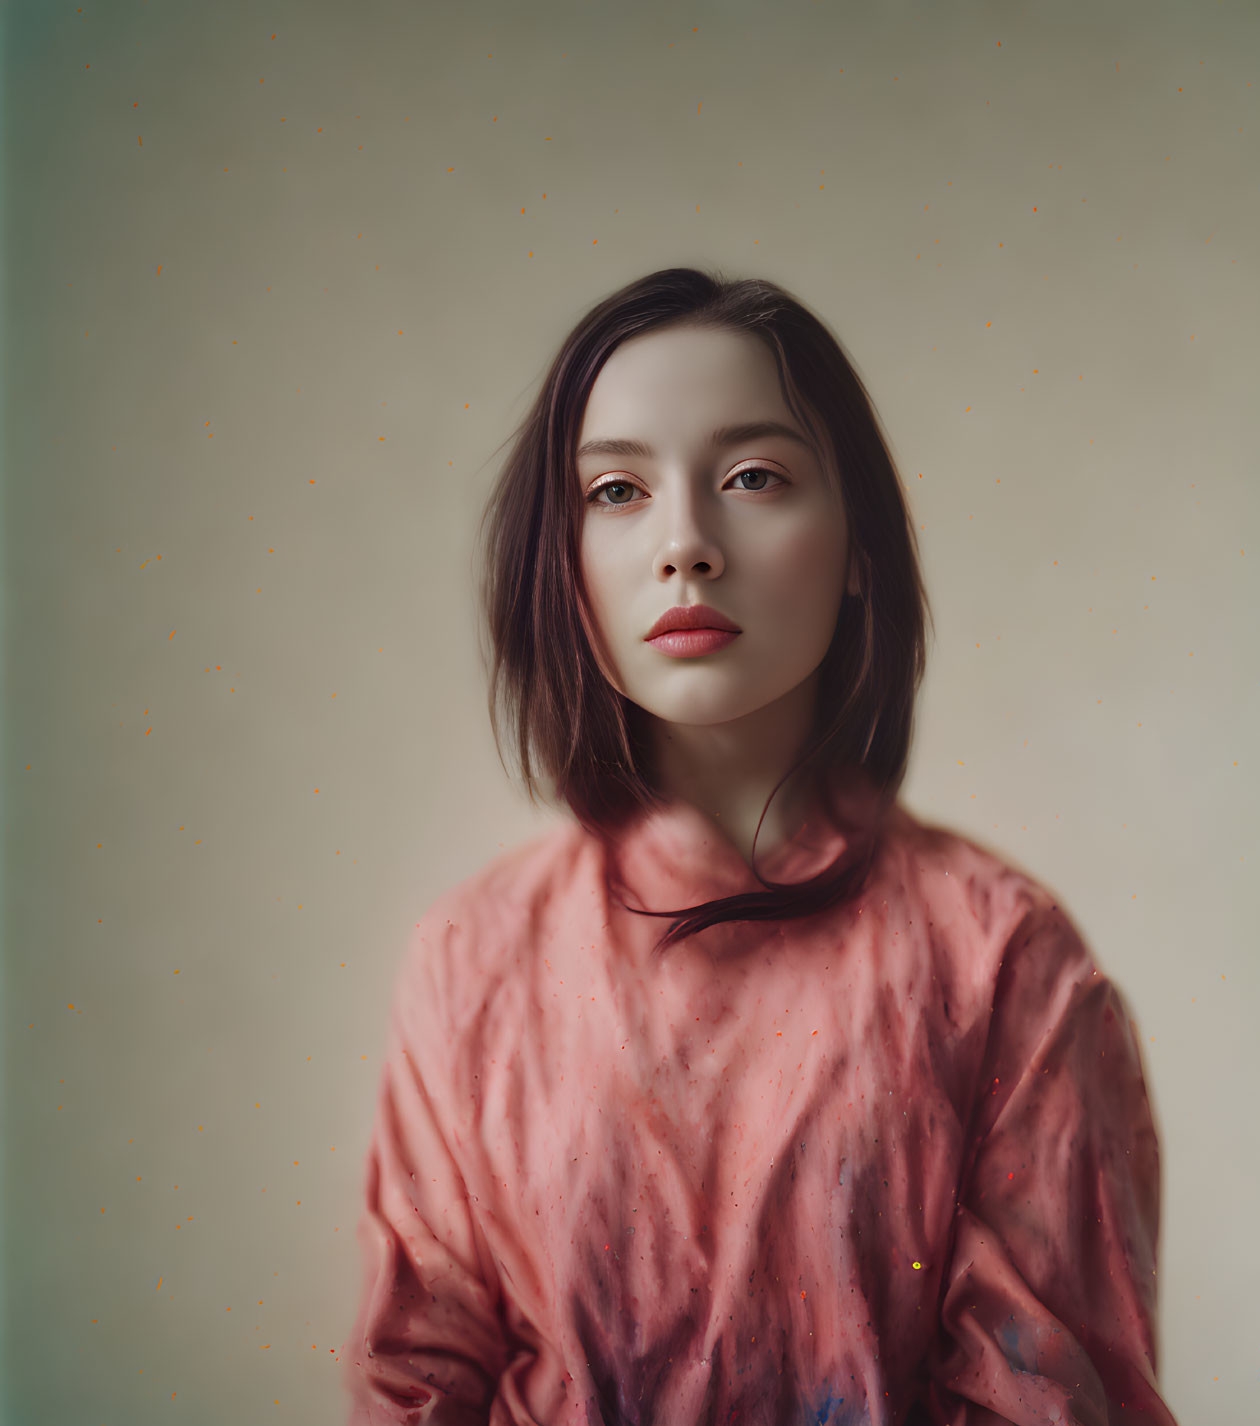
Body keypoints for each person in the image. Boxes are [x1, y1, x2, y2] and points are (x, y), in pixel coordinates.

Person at [340, 267, 1179, 1426]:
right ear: (560, 565)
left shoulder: (1002, 963)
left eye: (752, 477)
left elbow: (1051, 1398)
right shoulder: (470, 960)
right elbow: (416, 1379)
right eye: (617, 489)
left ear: (857, 553)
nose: (685, 544)